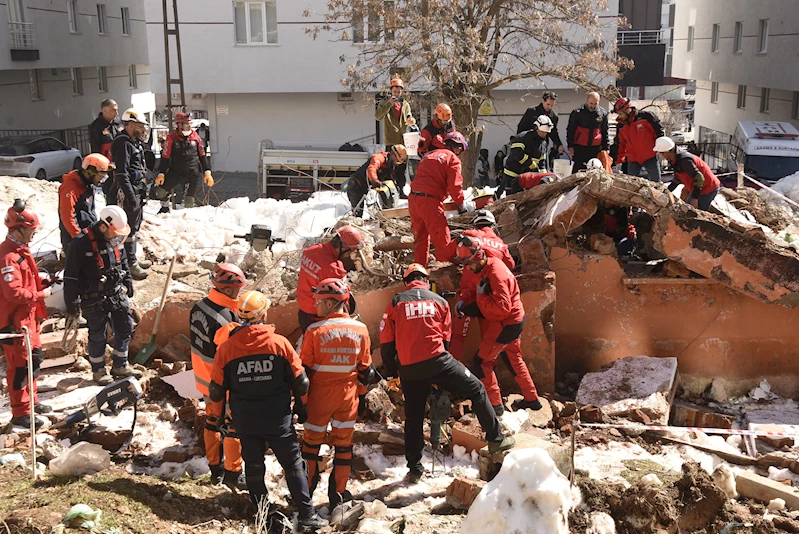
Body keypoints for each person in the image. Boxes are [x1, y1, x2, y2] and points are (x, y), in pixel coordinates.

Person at [380, 264, 515, 482]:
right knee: (477, 389)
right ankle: (496, 438)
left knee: (413, 417)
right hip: (438, 362)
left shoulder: (396, 302)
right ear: (426, 279)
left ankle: (414, 469)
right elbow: (446, 340)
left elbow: (386, 342)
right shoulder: (440, 301)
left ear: (406, 282)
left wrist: (392, 371)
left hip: (409, 369)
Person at [208, 291, 326, 532]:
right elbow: (301, 382)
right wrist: (301, 408)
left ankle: (262, 513)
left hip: (245, 420)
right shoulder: (279, 344)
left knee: (253, 466)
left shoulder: (227, 349)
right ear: (263, 315)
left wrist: (220, 418)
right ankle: (307, 515)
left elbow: (217, 391)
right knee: (293, 464)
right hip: (277, 419)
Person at [300, 278, 376, 509]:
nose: (315, 305)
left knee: (311, 446)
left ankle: (306, 492)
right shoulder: (361, 330)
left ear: (332, 303)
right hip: (348, 397)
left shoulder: (314, 331)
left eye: (319, 302)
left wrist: (301, 403)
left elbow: (303, 373)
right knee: (344, 446)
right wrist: (360, 396)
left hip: (319, 397)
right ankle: (339, 495)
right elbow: (366, 371)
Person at [455, 237, 542, 415]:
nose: (468, 269)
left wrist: (480, 299)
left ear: (478, 257)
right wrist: (463, 300)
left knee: (481, 363)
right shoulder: (485, 265)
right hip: (513, 320)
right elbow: (475, 286)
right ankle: (532, 400)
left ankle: (495, 407)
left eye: (469, 265)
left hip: (506, 323)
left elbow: (501, 309)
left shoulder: (496, 274)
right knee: (513, 359)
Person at [63, 206, 141, 385]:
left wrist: (128, 281)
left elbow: (122, 262)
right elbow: (70, 276)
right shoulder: (80, 243)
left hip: (115, 292)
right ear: (104, 226)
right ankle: (98, 371)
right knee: (98, 334)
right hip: (93, 298)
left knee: (125, 327)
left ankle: (120, 365)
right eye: (115, 233)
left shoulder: (114, 240)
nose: (117, 237)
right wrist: (72, 303)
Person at [189, 263, 246, 489]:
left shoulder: (198, 307)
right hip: (222, 383)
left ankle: (215, 469)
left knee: (211, 422)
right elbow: (231, 357)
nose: (239, 292)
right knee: (233, 427)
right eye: (238, 289)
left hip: (202, 377)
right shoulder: (228, 321)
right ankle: (233, 472)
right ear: (229, 290)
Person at [0, 200, 53, 427]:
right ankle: (21, 413)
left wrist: (41, 281)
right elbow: (13, 294)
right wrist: (41, 295)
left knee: (35, 360)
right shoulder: (8, 257)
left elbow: (25, 280)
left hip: (29, 319)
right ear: (19, 228)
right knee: (20, 368)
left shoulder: (20, 249)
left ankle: (31, 401)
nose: (34, 234)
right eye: (32, 230)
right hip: (15, 323)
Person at [449, 210, 515, 363]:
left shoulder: (468, 236)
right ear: (493, 225)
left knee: (458, 336)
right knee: (487, 340)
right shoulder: (499, 242)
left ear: (475, 224)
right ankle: (488, 378)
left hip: (468, 295)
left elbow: (447, 253)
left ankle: (451, 376)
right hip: (488, 297)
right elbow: (510, 265)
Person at [409, 131, 475, 266]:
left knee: (420, 240)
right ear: (457, 147)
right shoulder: (452, 159)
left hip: (414, 199)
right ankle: (444, 273)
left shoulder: (428, 155)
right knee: (443, 241)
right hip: (429, 201)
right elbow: (455, 185)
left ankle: (419, 272)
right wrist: (461, 204)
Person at [296, 225, 362, 332]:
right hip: (319, 316)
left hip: (303, 313)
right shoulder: (334, 269)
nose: (347, 256)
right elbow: (343, 297)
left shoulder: (310, 251)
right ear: (343, 247)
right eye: (349, 252)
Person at [112, 108, 151, 280]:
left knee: (135, 228)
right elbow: (122, 173)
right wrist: (130, 195)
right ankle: (129, 264)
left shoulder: (134, 142)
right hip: (128, 193)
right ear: (132, 125)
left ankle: (132, 259)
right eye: (141, 127)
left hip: (137, 189)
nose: (143, 131)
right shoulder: (122, 143)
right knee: (126, 229)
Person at [154, 112, 214, 213]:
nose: (189, 127)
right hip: (176, 172)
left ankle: (188, 219)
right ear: (179, 125)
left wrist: (207, 172)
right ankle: (164, 208)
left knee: (189, 202)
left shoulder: (196, 137)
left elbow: (202, 156)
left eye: (190, 124)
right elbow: (165, 157)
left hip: (192, 173)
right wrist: (161, 173)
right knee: (160, 192)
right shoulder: (171, 138)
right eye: (187, 124)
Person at [58, 154, 110, 251]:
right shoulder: (70, 187)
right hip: (76, 239)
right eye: (100, 176)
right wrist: (79, 238)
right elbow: (68, 216)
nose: (101, 180)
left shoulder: (87, 185)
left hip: (88, 235)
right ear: (90, 171)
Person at [654, 136, 720, 211]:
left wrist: (695, 198)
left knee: (694, 214)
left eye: (663, 153)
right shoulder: (675, 159)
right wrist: (666, 192)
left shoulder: (684, 160)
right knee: (687, 211)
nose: (662, 156)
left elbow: (699, 177)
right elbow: (678, 179)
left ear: (671, 149)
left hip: (708, 188)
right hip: (699, 188)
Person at [375, 77, 416, 197]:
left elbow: (409, 116)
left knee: (402, 167)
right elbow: (378, 116)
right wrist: (389, 104)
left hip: (403, 140)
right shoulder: (385, 103)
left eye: (399, 91)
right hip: (391, 140)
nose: (397, 94)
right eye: (395, 91)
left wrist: (411, 120)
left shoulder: (405, 104)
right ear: (391, 91)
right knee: (390, 166)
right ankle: (391, 190)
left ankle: (401, 189)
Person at [347, 145, 406, 218]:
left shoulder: (390, 165)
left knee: (377, 212)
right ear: (393, 155)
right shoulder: (379, 158)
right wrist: (375, 180)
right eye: (396, 161)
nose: (396, 163)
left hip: (368, 187)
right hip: (356, 184)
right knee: (358, 212)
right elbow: (371, 169)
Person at [613, 97, 664, 182]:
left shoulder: (646, 117)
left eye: (621, 114)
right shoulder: (621, 126)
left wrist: (662, 150)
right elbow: (620, 144)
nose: (620, 117)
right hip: (632, 159)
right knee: (631, 184)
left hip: (650, 156)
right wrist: (619, 161)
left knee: (657, 183)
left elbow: (659, 133)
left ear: (627, 110)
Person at [503, 115, 553, 194]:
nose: (544, 134)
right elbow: (517, 153)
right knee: (512, 199)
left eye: (546, 132)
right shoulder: (523, 137)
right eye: (542, 131)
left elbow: (542, 161)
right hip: (513, 174)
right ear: (536, 127)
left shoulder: (543, 144)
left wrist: (543, 174)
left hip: (526, 176)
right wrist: (530, 163)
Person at [89, 99, 123, 203]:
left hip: (122, 164)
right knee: (111, 194)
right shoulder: (96, 126)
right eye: (113, 110)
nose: (117, 113)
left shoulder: (119, 123)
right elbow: (95, 150)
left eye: (117, 110)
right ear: (104, 110)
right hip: (108, 167)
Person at [517, 91, 564, 166]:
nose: (549, 107)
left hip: (542, 146)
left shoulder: (554, 116)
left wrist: (559, 144)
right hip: (528, 145)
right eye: (548, 104)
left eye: (552, 105)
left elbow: (553, 133)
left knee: (542, 168)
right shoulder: (532, 111)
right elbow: (521, 128)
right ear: (543, 101)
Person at [567, 92, 609, 171]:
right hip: (580, 148)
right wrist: (570, 146)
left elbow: (605, 131)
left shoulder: (603, 113)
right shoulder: (577, 113)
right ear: (586, 101)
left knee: (595, 171)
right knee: (578, 170)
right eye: (591, 103)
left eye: (595, 104)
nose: (593, 106)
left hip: (595, 148)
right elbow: (570, 130)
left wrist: (606, 148)